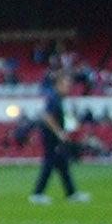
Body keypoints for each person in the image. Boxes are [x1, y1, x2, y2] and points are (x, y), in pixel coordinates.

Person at [30, 73, 90, 202]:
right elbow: (47, 116)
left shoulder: (60, 99)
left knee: (62, 164)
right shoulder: (54, 98)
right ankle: (37, 193)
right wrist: (59, 132)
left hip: (55, 136)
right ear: (58, 85)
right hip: (51, 136)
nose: (68, 87)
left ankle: (71, 193)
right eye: (65, 84)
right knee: (50, 163)